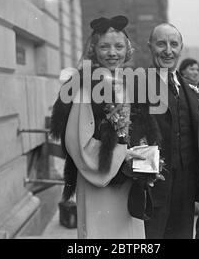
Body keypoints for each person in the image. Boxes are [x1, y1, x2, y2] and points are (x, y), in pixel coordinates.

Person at [50, 16, 161, 239]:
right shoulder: (84, 87)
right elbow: (78, 142)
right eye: (105, 46)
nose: (113, 53)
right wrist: (122, 155)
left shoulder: (131, 83)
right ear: (94, 50)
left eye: (119, 46)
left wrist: (145, 154)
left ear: (127, 50)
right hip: (99, 178)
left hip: (129, 180)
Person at [144, 23, 199, 239]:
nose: (168, 51)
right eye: (161, 44)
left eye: (174, 44)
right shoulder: (138, 86)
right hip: (153, 188)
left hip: (185, 188)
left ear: (181, 48)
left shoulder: (192, 90)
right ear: (150, 46)